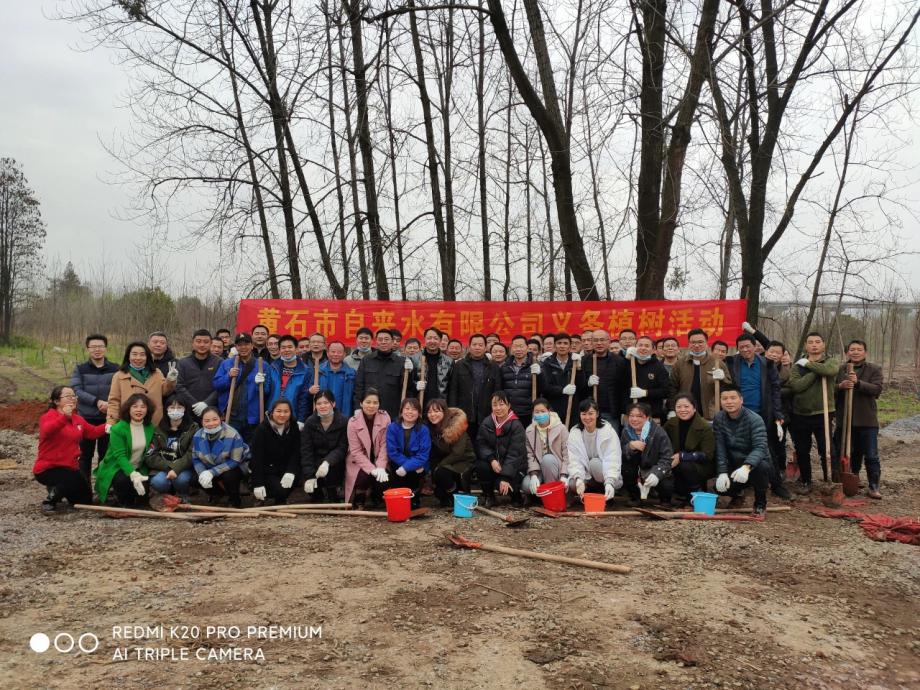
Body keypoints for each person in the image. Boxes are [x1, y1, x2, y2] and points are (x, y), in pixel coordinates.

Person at [726, 333, 791, 499]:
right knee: (737, 448)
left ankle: (776, 485)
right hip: (738, 414)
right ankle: (739, 485)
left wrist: (778, 415)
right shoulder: (731, 362)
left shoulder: (767, 364)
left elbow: (775, 390)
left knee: (767, 449)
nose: (745, 350)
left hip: (762, 414)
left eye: (748, 346)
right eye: (741, 347)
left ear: (755, 346)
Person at [33, 386, 107, 513]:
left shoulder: (77, 419)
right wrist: (64, 417)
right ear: (56, 401)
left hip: (70, 467)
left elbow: (92, 432)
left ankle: (59, 489)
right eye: (68, 396)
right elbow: (47, 431)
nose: (72, 399)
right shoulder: (48, 416)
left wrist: (110, 425)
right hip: (48, 468)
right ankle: (49, 501)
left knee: (85, 500)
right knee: (69, 478)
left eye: (74, 396)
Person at [783, 332, 839, 488]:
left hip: (823, 412)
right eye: (811, 342)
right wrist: (817, 371)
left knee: (827, 449)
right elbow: (797, 386)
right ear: (806, 346)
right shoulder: (797, 366)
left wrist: (809, 365)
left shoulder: (831, 361)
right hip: (800, 413)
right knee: (802, 450)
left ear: (823, 345)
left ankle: (831, 481)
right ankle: (806, 481)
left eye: (817, 342)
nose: (814, 345)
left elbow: (830, 371)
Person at [834, 340, 884, 498]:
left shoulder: (874, 369)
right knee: (847, 453)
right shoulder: (841, 369)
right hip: (845, 420)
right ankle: (851, 479)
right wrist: (840, 386)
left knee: (871, 455)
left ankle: (873, 486)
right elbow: (831, 390)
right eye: (852, 349)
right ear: (847, 352)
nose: (855, 352)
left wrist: (858, 383)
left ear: (865, 352)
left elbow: (877, 389)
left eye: (859, 349)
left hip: (866, 420)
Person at [712, 386, 770, 514]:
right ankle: (737, 493)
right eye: (724, 398)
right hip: (734, 462)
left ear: (741, 400)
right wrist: (722, 472)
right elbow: (720, 447)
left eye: (733, 398)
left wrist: (747, 467)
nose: (729, 402)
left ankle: (760, 503)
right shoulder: (719, 418)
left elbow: (760, 447)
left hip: (754, 464)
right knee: (720, 488)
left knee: (762, 467)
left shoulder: (754, 419)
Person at [70, 334, 118, 481]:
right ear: (88, 349)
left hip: (108, 418)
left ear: (106, 348)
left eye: (100, 346)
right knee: (84, 455)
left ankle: (103, 487)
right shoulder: (80, 369)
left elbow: (120, 389)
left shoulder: (116, 368)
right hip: (86, 418)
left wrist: (109, 404)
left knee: (106, 455)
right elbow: (76, 390)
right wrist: (96, 402)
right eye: (93, 347)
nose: (97, 349)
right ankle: (84, 488)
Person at [95, 394, 156, 507]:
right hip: (117, 466)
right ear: (128, 409)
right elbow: (120, 456)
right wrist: (132, 473)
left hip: (139, 467)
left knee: (142, 499)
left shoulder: (149, 427)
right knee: (123, 482)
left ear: (148, 410)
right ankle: (118, 498)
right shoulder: (118, 429)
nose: (139, 410)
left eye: (143, 407)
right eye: (135, 406)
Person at [214, 332, 275, 444]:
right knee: (231, 445)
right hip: (232, 415)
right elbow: (217, 385)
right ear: (236, 347)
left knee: (252, 445)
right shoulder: (227, 364)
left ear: (252, 346)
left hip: (253, 415)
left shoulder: (262, 365)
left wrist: (260, 384)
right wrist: (228, 376)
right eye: (240, 345)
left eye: (246, 344)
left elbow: (266, 391)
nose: (243, 347)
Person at [107, 341, 178, 427]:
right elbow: (114, 401)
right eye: (134, 354)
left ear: (147, 357)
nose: (138, 358)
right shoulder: (119, 375)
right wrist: (111, 421)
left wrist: (171, 380)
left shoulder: (156, 373)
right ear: (128, 356)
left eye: (142, 355)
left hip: (154, 421)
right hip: (129, 422)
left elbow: (165, 391)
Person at [474, 392, 527, 507]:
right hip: (495, 465)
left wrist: (505, 477)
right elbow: (481, 444)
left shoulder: (516, 426)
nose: (498, 408)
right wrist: (491, 459)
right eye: (494, 405)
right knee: (481, 466)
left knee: (507, 488)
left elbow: (515, 454)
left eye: (501, 404)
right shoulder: (487, 422)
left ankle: (516, 495)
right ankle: (489, 496)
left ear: (509, 406)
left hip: (513, 468)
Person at [447, 333, 502, 441]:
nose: (477, 347)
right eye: (474, 344)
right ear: (469, 347)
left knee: (485, 441)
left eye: (480, 345)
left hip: (487, 412)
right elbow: (453, 390)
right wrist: (453, 412)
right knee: (465, 442)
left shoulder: (493, 366)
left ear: (485, 347)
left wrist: (496, 410)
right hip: (464, 412)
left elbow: (497, 390)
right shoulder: (459, 365)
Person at [663, 395, 715, 507]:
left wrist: (682, 456)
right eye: (679, 407)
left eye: (686, 406)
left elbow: (708, 455)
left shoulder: (704, 427)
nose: (682, 410)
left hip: (700, 465)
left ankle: (697, 494)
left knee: (685, 465)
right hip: (674, 462)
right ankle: (677, 495)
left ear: (694, 408)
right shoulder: (671, 424)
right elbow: (661, 441)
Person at [566, 398, 621, 506]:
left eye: (591, 413)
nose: (587, 417)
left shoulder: (608, 431)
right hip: (586, 474)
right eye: (584, 414)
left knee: (594, 463)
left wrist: (610, 481)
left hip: (602, 471)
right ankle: (588, 493)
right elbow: (574, 459)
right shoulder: (575, 433)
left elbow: (613, 458)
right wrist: (578, 478)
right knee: (572, 483)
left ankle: (605, 492)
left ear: (597, 414)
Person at [668, 329, 731, 421]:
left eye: (700, 342)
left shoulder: (718, 363)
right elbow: (672, 388)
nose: (696, 345)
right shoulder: (680, 364)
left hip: (711, 413)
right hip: (685, 413)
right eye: (693, 342)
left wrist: (723, 378)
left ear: (706, 343)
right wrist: (672, 409)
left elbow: (729, 388)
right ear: (689, 344)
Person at [192, 407, 249, 507]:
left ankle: (234, 500)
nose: (211, 423)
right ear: (202, 422)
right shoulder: (198, 435)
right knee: (195, 479)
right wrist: (202, 473)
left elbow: (235, 460)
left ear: (221, 418)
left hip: (232, 466)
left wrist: (212, 472)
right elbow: (196, 458)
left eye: (215, 419)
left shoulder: (232, 434)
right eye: (207, 421)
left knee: (229, 477)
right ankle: (217, 494)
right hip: (210, 466)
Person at [353, 329, 415, 420]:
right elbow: (359, 387)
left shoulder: (401, 362)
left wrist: (410, 372)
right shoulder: (366, 360)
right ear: (376, 342)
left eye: (386, 339)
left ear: (392, 342)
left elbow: (407, 388)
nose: (383, 342)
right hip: (370, 411)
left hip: (392, 412)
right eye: (380, 339)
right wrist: (358, 407)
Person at [345, 388, 391, 508]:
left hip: (379, 458)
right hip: (359, 460)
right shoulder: (353, 422)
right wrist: (372, 469)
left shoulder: (385, 418)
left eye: (375, 402)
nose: (371, 406)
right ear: (361, 403)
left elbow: (385, 445)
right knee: (363, 476)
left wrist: (380, 467)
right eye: (368, 402)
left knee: (383, 478)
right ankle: (359, 499)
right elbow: (355, 451)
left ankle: (377, 497)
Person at [301, 390, 350, 502]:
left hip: (335, 462)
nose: (322, 406)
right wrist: (309, 476)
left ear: (333, 404)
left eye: (326, 403)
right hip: (315, 461)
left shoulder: (344, 421)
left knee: (333, 475)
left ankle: (334, 492)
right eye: (319, 403)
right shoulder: (310, 422)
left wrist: (327, 462)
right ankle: (318, 495)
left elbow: (342, 447)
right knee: (312, 489)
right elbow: (306, 451)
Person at [146, 399, 199, 503]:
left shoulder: (193, 428)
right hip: (163, 467)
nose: (175, 411)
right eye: (172, 407)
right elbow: (151, 455)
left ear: (185, 409)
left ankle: (183, 495)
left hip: (184, 467)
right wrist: (169, 467)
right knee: (158, 482)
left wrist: (176, 468)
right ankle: (168, 495)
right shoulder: (158, 429)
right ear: (166, 409)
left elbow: (191, 453)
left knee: (181, 480)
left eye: (179, 407)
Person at [249, 399, 301, 505]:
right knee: (279, 490)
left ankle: (280, 499)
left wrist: (291, 471)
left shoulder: (293, 426)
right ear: (272, 412)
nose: (282, 415)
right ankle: (262, 496)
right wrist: (258, 484)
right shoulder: (262, 429)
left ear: (290, 413)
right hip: (267, 470)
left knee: (292, 480)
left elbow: (296, 452)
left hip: (285, 468)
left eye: (286, 411)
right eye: (279, 411)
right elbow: (257, 458)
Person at [424, 399, 474, 507]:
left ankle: (456, 495)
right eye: (430, 412)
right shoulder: (432, 428)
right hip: (447, 458)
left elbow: (458, 453)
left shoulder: (456, 425)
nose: (433, 415)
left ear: (444, 412)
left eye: (437, 411)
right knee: (439, 493)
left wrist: (439, 466)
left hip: (463, 459)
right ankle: (448, 494)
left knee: (441, 472)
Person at [620, 402, 673, 505]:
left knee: (666, 482)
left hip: (653, 468)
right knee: (626, 469)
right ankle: (635, 497)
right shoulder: (626, 431)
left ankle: (664, 499)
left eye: (639, 416)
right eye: (631, 415)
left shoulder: (658, 432)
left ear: (647, 417)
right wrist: (630, 447)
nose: (634, 419)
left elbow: (667, 458)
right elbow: (621, 454)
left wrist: (656, 473)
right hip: (636, 470)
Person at [386, 398, 431, 509]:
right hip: (398, 464)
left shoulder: (423, 429)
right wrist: (406, 466)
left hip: (418, 465)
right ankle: (399, 499)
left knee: (418, 471)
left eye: (414, 409)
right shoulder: (392, 427)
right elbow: (392, 452)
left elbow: (423, 455)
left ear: (419, 413)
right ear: (401, 411)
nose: (410, 412)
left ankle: (414, 499)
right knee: (397, 471)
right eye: (407, 408)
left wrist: (407, 467)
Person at [582, 329, 628, 434]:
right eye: (596, 340)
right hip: (589, 411)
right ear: (591, 342)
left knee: (611, 440)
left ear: (609, 341)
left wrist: (625, 411)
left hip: (612, 412)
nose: (599, 343)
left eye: (602, 340)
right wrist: (587, 383)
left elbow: (624, 388)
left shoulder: (619, 361)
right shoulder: (584, 361)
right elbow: (578, 386)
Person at [522, 398, 569, 500]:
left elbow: (567, 454)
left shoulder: (561, 428)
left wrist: (564, 475)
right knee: (526, 485)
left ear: (549, 411)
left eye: (543, 411)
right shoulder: (530, 430)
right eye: (537, 412)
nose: (540, 414)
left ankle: (552, 496)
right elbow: (530, 455)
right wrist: (533, 475)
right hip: (539, 470)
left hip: (557, 470)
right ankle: (542, 495)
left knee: (548, 459)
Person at [175, 329, 223, 422]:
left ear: (211, 344)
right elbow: (179, 386)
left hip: (213, 411)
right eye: (198, 341)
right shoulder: (183, 363)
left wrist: (206, 403)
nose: (202, 345)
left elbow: (222, 386)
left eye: (206, 342)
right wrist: (194, 404)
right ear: (193, 343)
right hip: (188, 410)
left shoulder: (219, 362)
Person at [538, 333, 585, 423]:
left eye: (565, 343)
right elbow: (545, 387)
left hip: (573, 409)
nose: (562, 346)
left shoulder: (575, 361)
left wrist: (579, 368)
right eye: (559, 343)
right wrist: (562, 390)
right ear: (555, 346)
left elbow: (581, 386)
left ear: (570, 346)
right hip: (553, 409)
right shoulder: (547, 363)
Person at [625, 336, 670, 423]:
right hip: (631, 414)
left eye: (647, 346)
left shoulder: (659, 367)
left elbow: (666, 391)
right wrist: (625, 358)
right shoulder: (629, 364)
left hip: (651, 414)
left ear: (653, 350)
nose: (643, 348)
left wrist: (645, 393)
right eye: (640, 345)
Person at [500, 335, 539, 428]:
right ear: (511, 349)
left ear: (527, 348)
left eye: (521, 346)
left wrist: (540, 375)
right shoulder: (505, 367)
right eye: (515, 346)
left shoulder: (536, 365)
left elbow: (543, 388)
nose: (518, 349)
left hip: (528, 412)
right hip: (509, 412)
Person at [269, 335, 310, 423]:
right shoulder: (272, 368)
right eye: (283, 348)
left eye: (290, 347)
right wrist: (260, 383)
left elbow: (304, 399)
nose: (286, 350)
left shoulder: (305, 371)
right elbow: (266, 391)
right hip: (273, 414)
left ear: (296, 349)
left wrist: (301, 420)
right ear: (279, 350)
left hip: (292, 416)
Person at [317, 341, 357, 418]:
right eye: (333, 352)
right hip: (323, 416)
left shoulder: (352, 374)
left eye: (339, 352)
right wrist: (310, 390)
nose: (336, 354)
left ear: (344, 354)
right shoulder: (318, 371)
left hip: (345, 416)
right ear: (327, 353)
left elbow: (356, 396)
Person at [418, 327, 453, 403]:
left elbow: (452, 387)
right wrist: (416, 385)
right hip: (419, 403)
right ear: (424, 339)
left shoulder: (449, 361)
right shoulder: (415, 359)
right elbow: (409, 384)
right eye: (429, 338)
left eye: (435, 338)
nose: (432, 341)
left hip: (440, 404)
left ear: (440, 341)